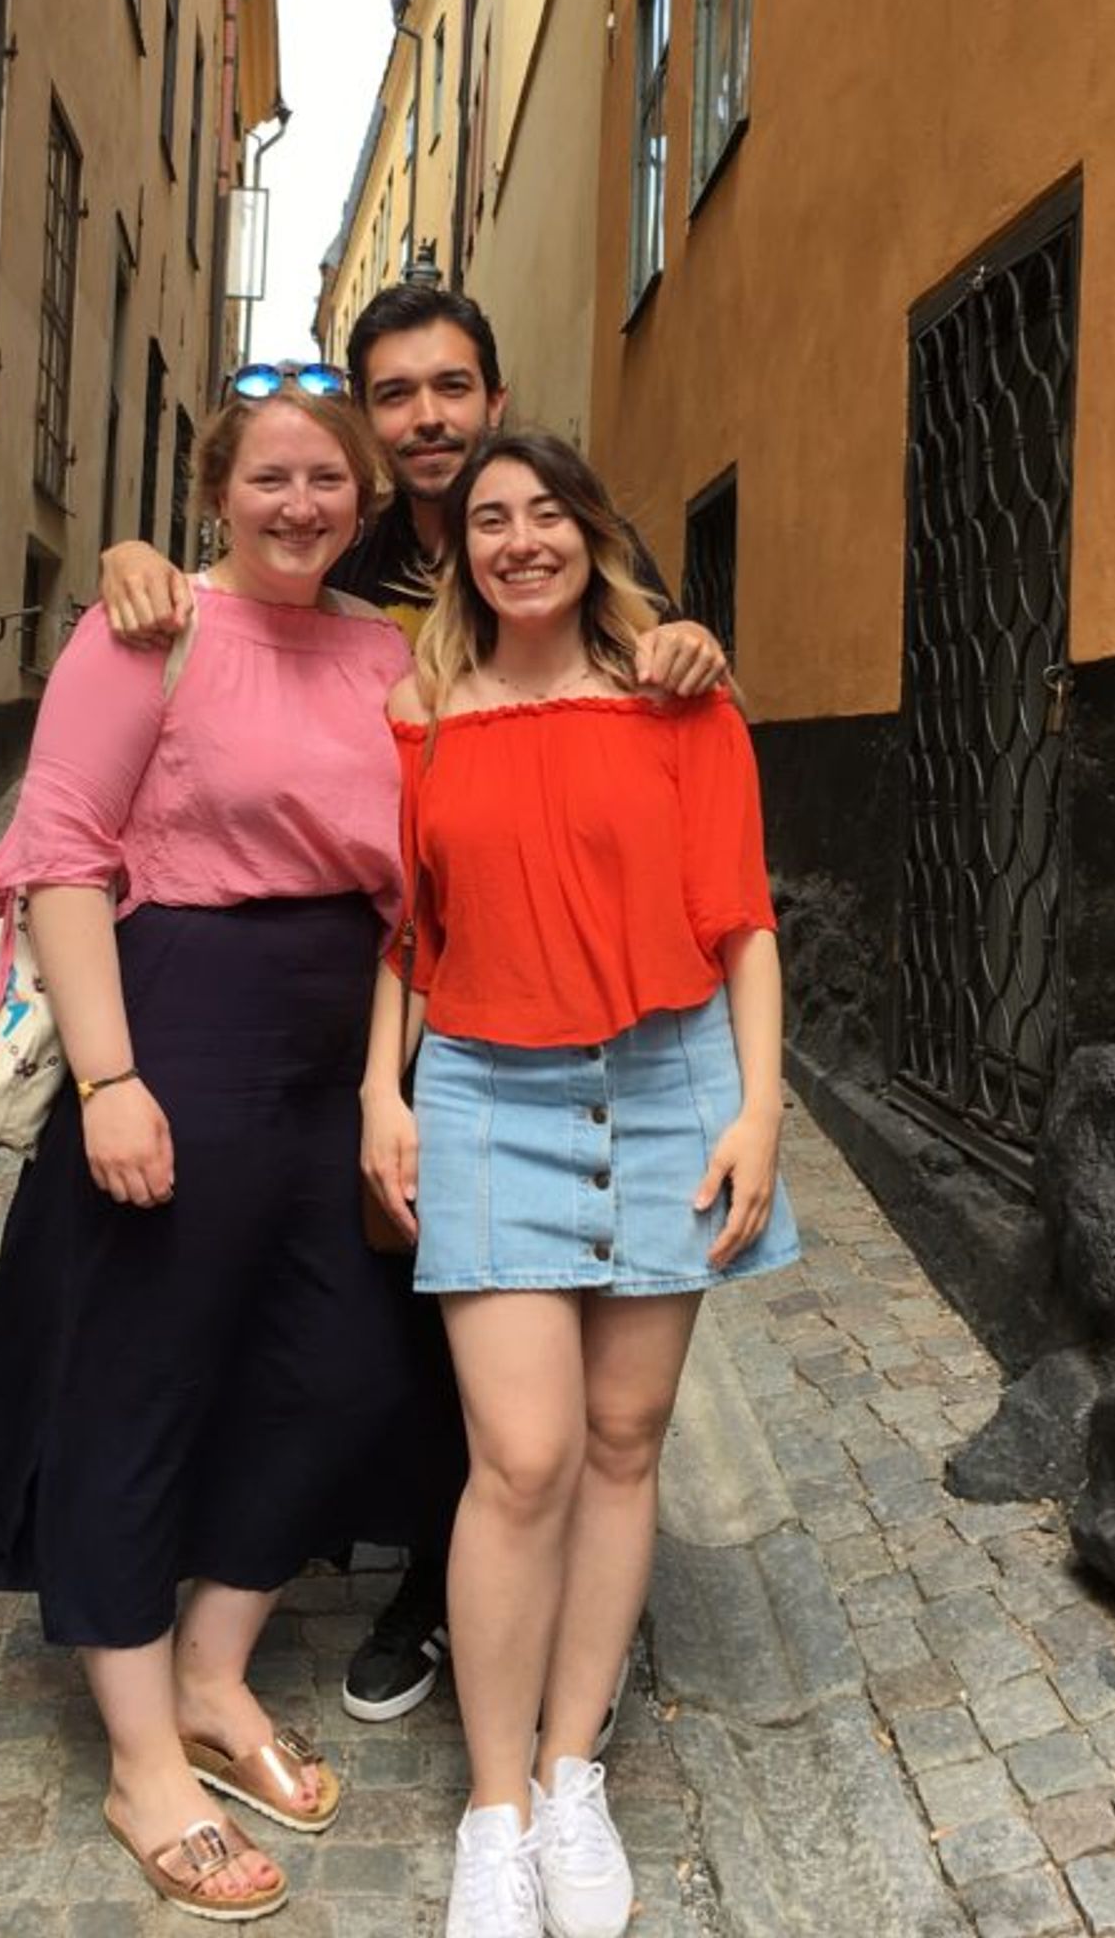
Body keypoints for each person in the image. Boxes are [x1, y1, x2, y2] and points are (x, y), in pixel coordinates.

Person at [98, 286, 729, 1729]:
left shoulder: (569, 536)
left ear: (495, 399)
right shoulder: (349, 552)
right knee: (406, 1300)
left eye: (452, 387)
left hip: (560, 1013)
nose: (428, 417)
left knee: (573, 1334)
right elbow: (240, 589)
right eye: (395, 395)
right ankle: (438, 1571)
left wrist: (696, 649)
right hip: (381, 993)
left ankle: (505, 1602)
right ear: (371, 430)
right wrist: (143, 559)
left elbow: (649, 694)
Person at [0, 377, 422, 1924]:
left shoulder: (392, 652)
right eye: (271, 478)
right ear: (220, 492)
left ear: (366, 500)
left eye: (328, 481)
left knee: (343, 1365)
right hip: (182, 1014)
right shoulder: (147, 628)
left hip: (342, 1036)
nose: (300, 506)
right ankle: (143, 1757)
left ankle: (213, 1670)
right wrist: (114, 1076)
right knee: (138, 1376)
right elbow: (61, 849)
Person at [360, 429, 799, 1938]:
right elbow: (412, 929)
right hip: (486, 1085)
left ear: (591, 533)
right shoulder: (423, 712)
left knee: (624, 1438)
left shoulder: (679, 697)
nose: (521, 538)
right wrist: (382, 1087)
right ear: (458, 549)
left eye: (549, 512)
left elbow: (741, 914)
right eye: (491, 517)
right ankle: (492, 1805)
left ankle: (569, 1774)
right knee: (525, 1456)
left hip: (670, 1083)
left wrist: (760, 1106)